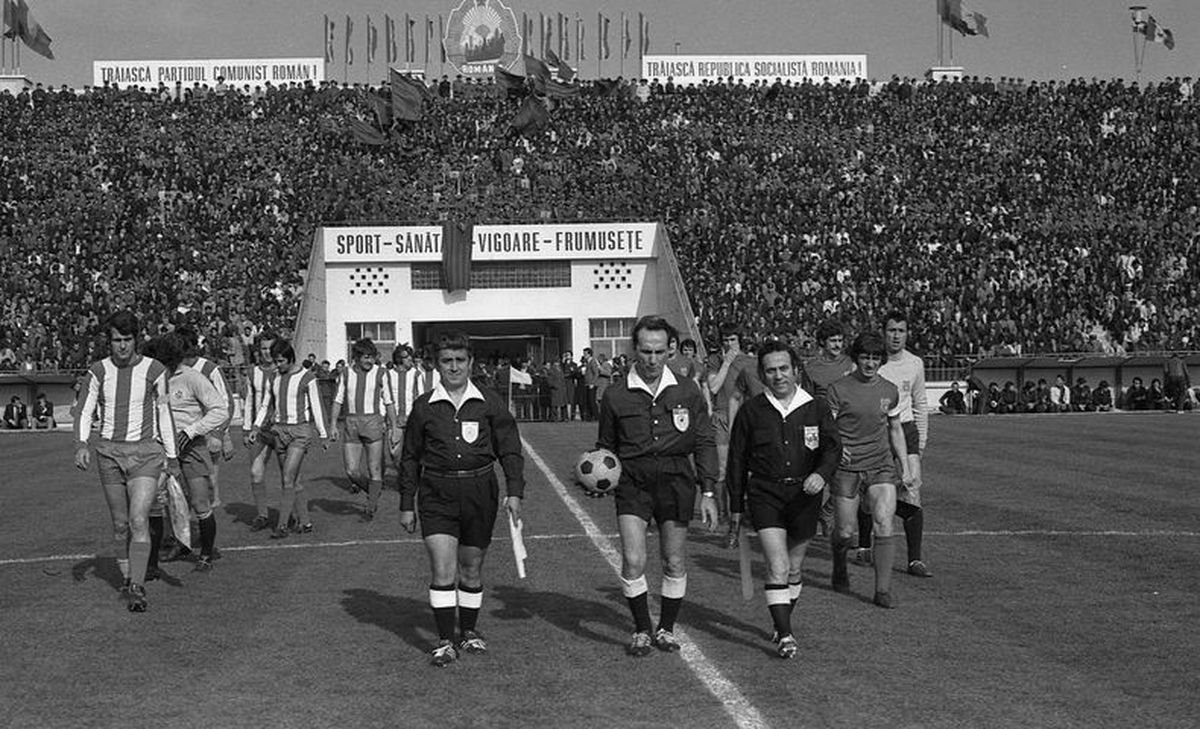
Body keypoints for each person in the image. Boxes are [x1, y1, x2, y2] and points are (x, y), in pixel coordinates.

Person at [398, 330, 525, 667]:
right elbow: (410, 457)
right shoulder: (424, 407)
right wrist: (405, 503)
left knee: (470, 569)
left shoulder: (490, 402)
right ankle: (444, 640)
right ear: (436, 366)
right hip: (436, 494)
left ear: (471, 363)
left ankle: (468, 632)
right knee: (442, 569)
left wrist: (515, 490)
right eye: (446, 361)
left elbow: (510, 449)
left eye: (459, 361)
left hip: (480, 492)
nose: (453, 367)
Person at [598, 315, 718, 657]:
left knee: (674, 561)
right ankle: (641, 630)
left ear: (670, 351)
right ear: (635, 349)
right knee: (633, 560)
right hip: (633, 482)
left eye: (658, 352)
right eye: (645, 351)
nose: (651, 359)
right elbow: (605, 445)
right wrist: (596, 475)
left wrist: (708, 491)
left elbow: (705, 441)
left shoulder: (687, 390)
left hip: (677, 480)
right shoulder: (615, 394)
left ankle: (665, 629)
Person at [725, 340, 841, 658]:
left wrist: (822, 474)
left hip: (805, 496)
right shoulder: (752, 410)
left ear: (795, 370)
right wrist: (735, 506)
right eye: (771, 370)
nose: (778, 376)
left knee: (793, 568)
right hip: (765, 494)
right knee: (777, 565)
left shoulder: (815, 407)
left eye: (783, 369)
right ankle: (786, 635)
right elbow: (736, 459)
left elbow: (833, 447)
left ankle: (781, 621)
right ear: (762, 374)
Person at [73, 310, 181, 612]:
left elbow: (164, 413)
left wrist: (171, 456)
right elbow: (84, 410)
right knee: (121, 525)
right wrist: (81, 443)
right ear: (109, 341)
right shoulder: (98, 372)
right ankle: (128, 576)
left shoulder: (155, 370)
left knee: (138, 519)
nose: (121, 346)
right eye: (116, 340)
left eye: (127, 340)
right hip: (108, 454)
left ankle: (137, 586)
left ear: (137, 339)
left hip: (145, 454)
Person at [825, 332, 912, 608]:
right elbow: (827, 428)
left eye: (875, 358)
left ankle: (882, 590)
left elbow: (895, 428)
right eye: (865, 357)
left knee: (884, 522)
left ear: (881, 360)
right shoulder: (838, 389)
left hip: (880, 465)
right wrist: (837, 448)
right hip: (847, 468)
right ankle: (839, 563)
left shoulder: (889, 390)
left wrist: (906, 466)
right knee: (845, 531)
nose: (870, 363)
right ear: (856, 358)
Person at [859, 312, 931, 579]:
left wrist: (920, 443)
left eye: (901, 330)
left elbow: (920, 403)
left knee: (912, 490)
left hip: (907, 430)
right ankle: (864, 546)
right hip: (878, 432)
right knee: (870, 495)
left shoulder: (915, 363)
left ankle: (915, 560)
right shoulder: (873, 361)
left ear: (907, 333)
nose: (896, 335)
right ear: (883, 331)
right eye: (891, 330)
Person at [153, 333, 230, 571]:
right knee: (159, 502)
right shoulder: (155, 379)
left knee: (199, 502)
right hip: (161, 450)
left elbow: (220, 410)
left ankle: (206, 554)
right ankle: (169, 549)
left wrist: (192, 431)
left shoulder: (192, 378)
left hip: (192, 450)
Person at [250, 339, 330, 539]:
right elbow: (265, 405)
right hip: (279, 432)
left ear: (290, 358)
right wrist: (255, 427)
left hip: (299, 433)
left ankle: (282, 525)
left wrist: (323, 434)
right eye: (276, 362)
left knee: (287, 477)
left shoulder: (307, 377)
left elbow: (316, 407)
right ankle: (305, 522)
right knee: (294, 479)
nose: (277, 365)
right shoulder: (274, 378)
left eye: (281, 361)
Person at [329, 338, 398, 521]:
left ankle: (371, 506)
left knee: (374, 468)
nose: (370, 361)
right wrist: (333, 424)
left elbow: (389, 401)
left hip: (373, 422)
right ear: (357, 357)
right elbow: (338, 400)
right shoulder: (345, 373)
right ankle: (373, 491)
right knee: (352, 471)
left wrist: (394, 426)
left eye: (372, 357)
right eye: (366, 357)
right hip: (351, 423)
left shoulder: (381, 373)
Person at [707, 322, 762, 523]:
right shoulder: (716, 361)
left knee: (748, 468)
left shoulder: (751, 362)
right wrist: (726, 363)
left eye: (733, 340)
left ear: (740, 341)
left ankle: (744, 508)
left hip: (743, 419)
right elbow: (713, 387)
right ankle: (723, 513)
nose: (729, 344)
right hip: (721, 417)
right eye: (726, 340)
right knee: (722, 469)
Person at [176, 326, 235, 509]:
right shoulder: (174, 369)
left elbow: (227, 402)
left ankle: (212, 502)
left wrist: (219, 433)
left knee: (209, 471)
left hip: (208, 429)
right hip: (183, 430)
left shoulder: (209, 369)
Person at [241, 331, 283, 531]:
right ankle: (262, 515)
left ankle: (291, 516)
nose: (267, 352)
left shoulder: (284, 371)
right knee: (255, 473)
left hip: (282, 430)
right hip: (260, 431)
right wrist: (246, 428)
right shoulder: (252, 372)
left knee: (289, 476)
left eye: (271, 348)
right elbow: (249, 400)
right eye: (264, 348)